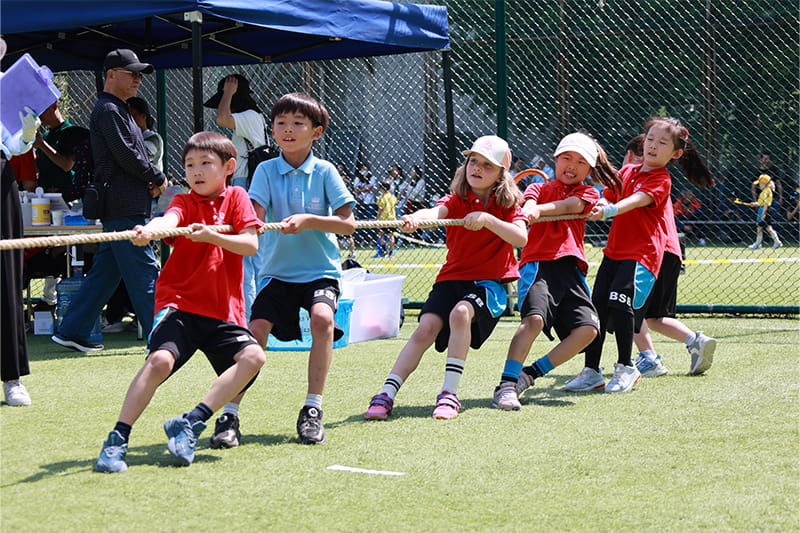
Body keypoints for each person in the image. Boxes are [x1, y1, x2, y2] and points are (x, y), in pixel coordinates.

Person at [94, 131, 264, 473]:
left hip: (223, 312)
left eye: (205, 163)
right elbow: (167, 220)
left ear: (229, 167)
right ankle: (117, 439)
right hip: (180, 304)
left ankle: (191, 422)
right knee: (159, 361)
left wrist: (212, 234)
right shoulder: (183, 202)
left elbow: (250, 244)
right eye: (189, 165)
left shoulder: (237, 197)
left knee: (254, 356)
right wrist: (151, 230)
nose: (196, 171)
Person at [211, 92, 356, 447]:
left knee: (323, 319)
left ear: (316, 132)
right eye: (280, 124)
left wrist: (310, 221)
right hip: (275, 275)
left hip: (320, 272)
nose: (287, 130)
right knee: (254, 332)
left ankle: (312, 409)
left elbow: (347, 224)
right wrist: (241, 225)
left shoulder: (325, 171)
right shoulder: (264, 169)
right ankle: (229, 414)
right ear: (272, 130)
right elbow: (254, 216)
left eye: (297, 124)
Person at [363, 135, 527, 421]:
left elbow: (521, 237)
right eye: (472, 161)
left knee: (462, 313)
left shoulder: (509, 204)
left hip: (489, 284)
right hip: (451, 280)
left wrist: (488, 219)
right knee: (425, 328)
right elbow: (435, 212)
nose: (476, 168)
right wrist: (417, 218)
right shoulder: (456, 199)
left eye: (486, 165)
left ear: (501, 173)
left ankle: (449, 394)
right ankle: (386, 394)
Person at [573, 116, 712, 394]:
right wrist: (601, 202)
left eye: (662, 143)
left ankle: (626, 367)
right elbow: (609, 194)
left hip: (641, 256)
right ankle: (591, 372)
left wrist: (610, 209)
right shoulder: (627, 172)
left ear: (676, 153)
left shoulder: (661, 179)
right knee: (597, 309)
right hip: (613, 254)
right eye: (650, 139)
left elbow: (637, 200)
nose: (653, 146)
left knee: (623, 306)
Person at [490, 132, 620, 410]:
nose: (571, 165)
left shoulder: (587, 193)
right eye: (566, 158)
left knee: (588, 330)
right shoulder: (538, 188)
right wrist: (530, 208)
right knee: (534, 320)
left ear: (590, 170)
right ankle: (508, 384)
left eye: (580, 162)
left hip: (571, 271)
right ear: (555, 159)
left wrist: (539, 211)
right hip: (538, 265)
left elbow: (570, 206)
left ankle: (530, 374)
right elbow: (529, 201)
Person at [51, 48, 166, 353]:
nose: (139, 80)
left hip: (122, 202)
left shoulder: (115, 108)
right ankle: (164, 337)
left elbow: (128, 153)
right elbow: (126, 154)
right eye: (133, 74)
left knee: (106, 272)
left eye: (140, 75)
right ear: (111, 75)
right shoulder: (110, 110)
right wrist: (156, 176)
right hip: (124, 205)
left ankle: (73, 330)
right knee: (144, 271)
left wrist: (150, 178)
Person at [622, 135, 718, 378]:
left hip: (653, 253)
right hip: (669, 252)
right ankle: (695, 340)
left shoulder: (643, 179)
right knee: (655, 317)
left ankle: (649, 358)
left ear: (636, 157)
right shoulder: (649, 180)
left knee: (625, 306)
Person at [204, 74, 267, 320]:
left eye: (227, 99)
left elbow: (222, 117)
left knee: (250, 258)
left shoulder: (250, 117)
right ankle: (250, 315)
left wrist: (228, 92)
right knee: (249, 257)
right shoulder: (248, 121)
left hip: (247, 185)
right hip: (244, 184)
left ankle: (252, 317)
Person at [1, 36, 41, 406]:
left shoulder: (5, 89)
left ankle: (12, 377)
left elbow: (16, 145)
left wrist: (28, 132)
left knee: (7, 277)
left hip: (0, 177)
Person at [33, 100, 91, 202]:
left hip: (68, 197)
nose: (40, 116)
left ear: (54, 106)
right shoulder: (45, 136)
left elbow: (67, 165)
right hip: (45, 195)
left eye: (43, 111)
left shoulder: (72, 133)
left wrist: (42, 145)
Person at [127, 96, 164, 172]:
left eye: (133, 116)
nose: (129, 120)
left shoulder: (153, 138)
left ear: (143, 116)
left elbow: (141, 160)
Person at [746, 174, 782, 249]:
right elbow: (762, 202)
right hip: (764, 209)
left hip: (764, 210)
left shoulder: (765, 191)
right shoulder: (766, 191)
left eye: (759, 183)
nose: (758, 185)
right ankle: (777, 241)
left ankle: (758, 244)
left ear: (764, 183)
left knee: (760, 227)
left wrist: (763, 213)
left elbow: (765, 204)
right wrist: (755, 204)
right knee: (767, 227)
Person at [375, 180, 398, 257]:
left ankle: (384, 250)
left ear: (382, 189)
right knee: (391, 235)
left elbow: (380, 208)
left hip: (383, 219)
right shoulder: (392, 197)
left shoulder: (381, 197)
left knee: (381, 235)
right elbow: (394, 205)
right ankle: (391, 252)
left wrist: (377, 217)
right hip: (392, 218)